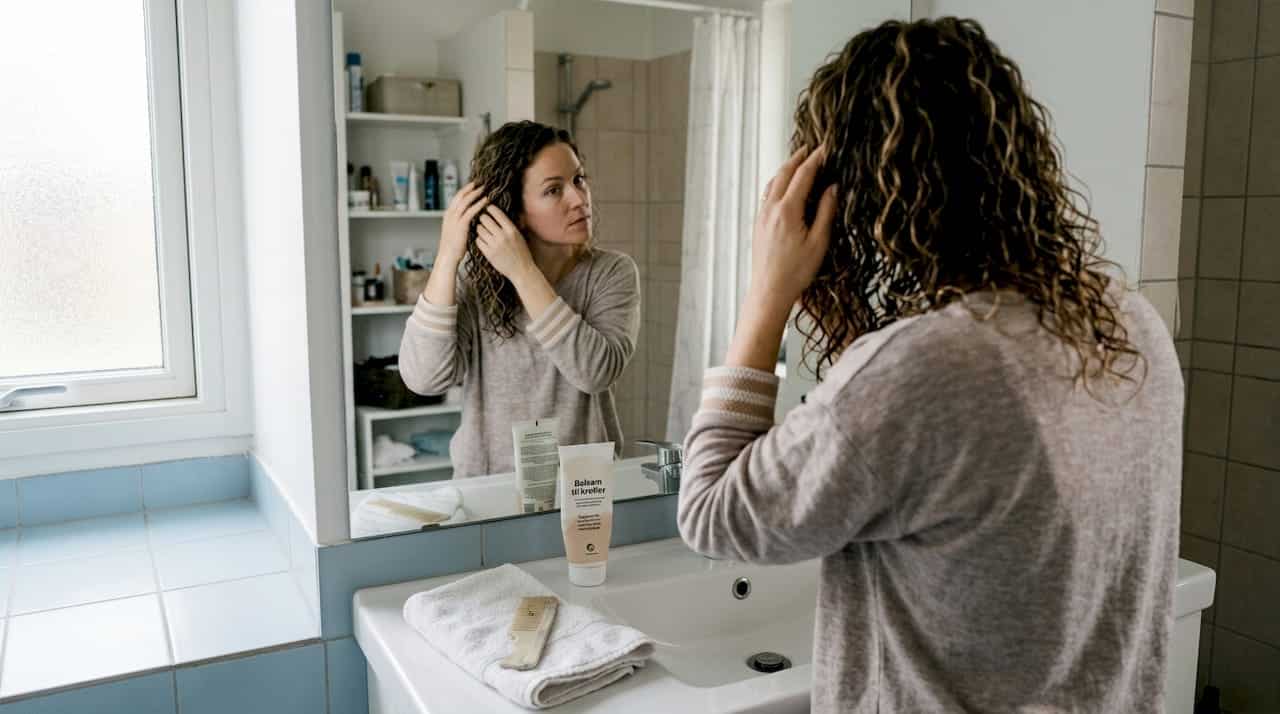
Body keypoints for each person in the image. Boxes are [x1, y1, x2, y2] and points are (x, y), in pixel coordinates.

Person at [678, 18, 1182, 713]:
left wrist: (768, 296)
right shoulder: (1130, 323)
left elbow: (711, 513)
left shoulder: (919, 370)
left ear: (849, 192)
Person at [400, 121, 641, 478]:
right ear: (514, 211)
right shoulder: (474, 280)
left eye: (579, 179)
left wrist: (524, 273)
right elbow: (424, 378)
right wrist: (449, 255)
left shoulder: (611, 273)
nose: (579, 199)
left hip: (584, 489)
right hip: (486, 488)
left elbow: (595, 372)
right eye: (553, 190)